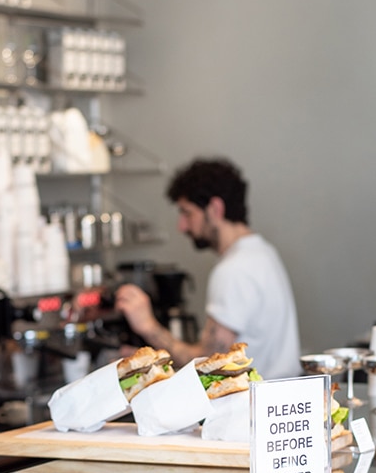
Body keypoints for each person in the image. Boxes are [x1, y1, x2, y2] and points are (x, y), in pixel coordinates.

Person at [115, 157, 302, 379]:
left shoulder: (233, 270)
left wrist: (147, 326)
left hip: (253, 405)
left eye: (187, 213)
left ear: (214, 208)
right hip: (280, 397)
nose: (181, 226)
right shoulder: (263, 252)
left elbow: (210, 362)